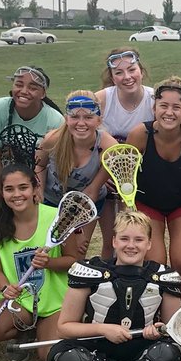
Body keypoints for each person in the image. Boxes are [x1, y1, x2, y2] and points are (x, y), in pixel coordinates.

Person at [48, 209, 181, 361]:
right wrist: (104, 329)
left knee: (169, 351)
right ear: (113, 241)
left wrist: (158, 330)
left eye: (139, 239)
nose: (131, 245)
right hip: (98, 350)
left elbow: (174, 330)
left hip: (141, 350)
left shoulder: (164, 276)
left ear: (149, 243)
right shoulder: (89, 272)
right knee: (61, 357)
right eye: (124, 238)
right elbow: (64, 327)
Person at [0, 164, 83, 361]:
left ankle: (46, 329)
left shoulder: (57, 218)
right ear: (2, 193)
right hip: (21, 300)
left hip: (55, 302)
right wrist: (5, 288)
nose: (17, 194)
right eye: (9, 189)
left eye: (23, 187)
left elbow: (73, 261)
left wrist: (50, 262)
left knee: (49, 356)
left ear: (35, 189)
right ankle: (25, 330)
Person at [126, 78, 181, 299]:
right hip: (148, 204)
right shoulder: (140, 135)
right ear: (154, 108)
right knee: (155, 263)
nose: (169, 112)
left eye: (176, 107)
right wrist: (130, 213)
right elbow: (126, 179)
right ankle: (156, 311)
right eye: (163, 106)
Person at [35, 91, 117, 255]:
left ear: (99, 120)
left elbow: (91, 192)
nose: (81, 123)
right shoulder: (52, 139)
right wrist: (39, 192)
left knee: (76, 254)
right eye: (74, 117)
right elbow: (39, 166)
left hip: (86, 204)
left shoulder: (109, 147)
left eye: (88, 117)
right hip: (52, 200)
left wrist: (76, 230)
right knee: (47, 250)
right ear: (66, 119)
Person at [0, 66, 64, 189]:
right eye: (19, 85)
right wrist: (1, 194)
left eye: (32, 88)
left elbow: (55, 166)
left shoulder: (55, 121)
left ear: (43, 93)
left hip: (43, 186)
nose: (24, 91)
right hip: (9, 180)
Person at [95, 48, 156, 142]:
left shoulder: (155, 99)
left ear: (141, 72)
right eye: (119, 73)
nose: (127, 77)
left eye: (131, 70)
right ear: (113, 79)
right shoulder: (100, 100)